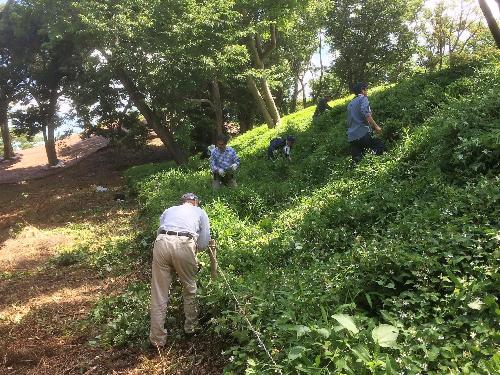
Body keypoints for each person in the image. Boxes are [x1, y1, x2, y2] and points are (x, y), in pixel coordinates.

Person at [149, 193, 215, 348]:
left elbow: (160, 229)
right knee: (190, 287)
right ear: (195, 202)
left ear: (182, 202)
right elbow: (205, 242)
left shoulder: (169, 210)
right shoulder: (200, 212)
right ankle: (191, 328)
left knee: (159, 292)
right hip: (185, 243)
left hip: (162, 242)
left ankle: (157, 339)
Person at [346, 82, 385, 163]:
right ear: (362, 90)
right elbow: (366, 114)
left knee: (357, 161)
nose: (367, 91)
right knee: (379, 147)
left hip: (352, 137)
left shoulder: (350, 104)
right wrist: (376, 127)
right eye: (366, 89)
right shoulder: (363, 98)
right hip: (362, 133)